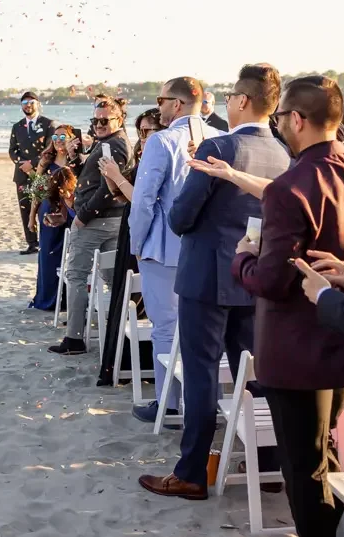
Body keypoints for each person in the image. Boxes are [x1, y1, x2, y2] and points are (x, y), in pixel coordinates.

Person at [230, 76, 344, 536]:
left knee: (304, 468)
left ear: (295, 119)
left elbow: (274, 280)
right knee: (328, 453)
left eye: (280, 118)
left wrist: (242, 258)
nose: (280, 125)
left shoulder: (288, 188)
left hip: (297, 349)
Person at [138, 64, 290, 500]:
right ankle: (273, 461)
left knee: (203, 373)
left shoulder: (218, 147)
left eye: (228, 98)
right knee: (257, 370)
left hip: (206, 276)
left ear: (243, 101)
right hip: (255, 276)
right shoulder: (282, 154)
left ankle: (190, 472)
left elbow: (182, 217)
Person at [128, 77, 222, 423]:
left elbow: (144, 201)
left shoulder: (162, 141)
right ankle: (203, 401)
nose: (159, 106)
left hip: (165, 248)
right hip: (208, 250)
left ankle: (168, 402)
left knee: (166, 327)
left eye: (162, 100)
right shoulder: (221, 139)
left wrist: (137, 243)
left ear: (177, 104)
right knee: (205, 329)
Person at [84, 108, 161, 380]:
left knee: (138, 302)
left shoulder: (159, 159)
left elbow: (141, 200)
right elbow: (123, 195)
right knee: (126, 296)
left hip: (144, 233)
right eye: (139, 131)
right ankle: (126, 364)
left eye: (148, 130)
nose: (143, 137)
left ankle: (140, 365)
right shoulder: (146, 156)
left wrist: (116, 177)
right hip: (130, 227)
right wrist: (111, 178)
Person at [57, 96, 132, 355]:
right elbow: (94, 177)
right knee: (112, 278)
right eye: (95, 120)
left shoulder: (115, 146)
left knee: (76, 275)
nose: (98, 125)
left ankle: (75, 339)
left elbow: (108, 189)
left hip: (98, 220)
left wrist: (83, 216)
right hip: (111, 219)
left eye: (104, 120)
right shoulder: (109, 142)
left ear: (119, 119)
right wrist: (78, 159)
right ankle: (117, 333)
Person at [27, 125, 76, 310]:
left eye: (63, 136)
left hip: (71, 212)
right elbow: (37, 193)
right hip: (48, 213)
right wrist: (31, 217)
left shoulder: (75, 161)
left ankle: (66, 299)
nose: (58, 140)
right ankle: (47, 299)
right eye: (55, 137)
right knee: (48, 256)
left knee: (69, 257)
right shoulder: (46, 163)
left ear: (71, 139)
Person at [8, 91, 55, 254]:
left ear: (38, 104)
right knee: (25, 208)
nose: (28, 105)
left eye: (31, 102)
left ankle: (46, 242)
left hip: (42, 173)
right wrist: (22, 164)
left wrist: (33, 164)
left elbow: (50, 149)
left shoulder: (49, 124)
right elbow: (12, 150)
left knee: (43, 208)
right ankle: (32, 243)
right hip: (21, 174)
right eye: (24, 102)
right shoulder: (17, 126)